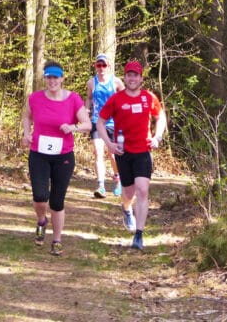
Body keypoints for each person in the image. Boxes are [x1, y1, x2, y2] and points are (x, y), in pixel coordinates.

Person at [21, 61, 91, 255]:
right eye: (49, 77)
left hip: (63, 156)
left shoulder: (73, 99)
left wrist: (72, 127)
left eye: (56, 77)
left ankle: (57, 239)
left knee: (57, 201)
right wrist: (26, 134)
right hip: (39, 154)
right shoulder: (34, 98)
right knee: (40, 197)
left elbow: (87, 124)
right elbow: (27, 117)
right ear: (44, 78)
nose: (52, 81)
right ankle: (41, 220)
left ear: (62, 78)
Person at [96, 60, 167, 251]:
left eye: (135, 75)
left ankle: (139, 235)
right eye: (129, 75)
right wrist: (109, 144)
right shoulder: (116, 99)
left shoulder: (148, 97)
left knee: (142, 190)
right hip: (123, 151)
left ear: (141, 78)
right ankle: (127, 209)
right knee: (128, 193)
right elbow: (100, 122)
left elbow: (160, 117)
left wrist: (158, 136)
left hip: (143, 150)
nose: (132, 78)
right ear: (125, 77)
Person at [85, 53, 125, 199]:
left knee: (112, 153)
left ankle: (118, 178)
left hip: (113, 123)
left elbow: (125, 96)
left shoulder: (116, 82)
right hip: (97, 121)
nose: (101, 68)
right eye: (98, 65)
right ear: (95, 66)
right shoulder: (91, 82)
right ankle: (101, 186)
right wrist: (86, 109)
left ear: (109, 66)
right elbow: (89, 98)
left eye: (104, 65)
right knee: (97, 151)